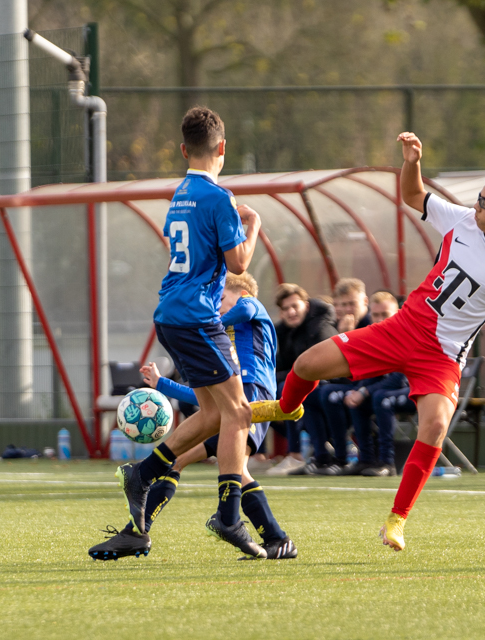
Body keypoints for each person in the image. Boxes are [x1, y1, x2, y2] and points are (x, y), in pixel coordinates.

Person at [250, 132, 485, 551]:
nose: (476, 206)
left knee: (437, 425)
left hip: (442, 357)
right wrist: (412, 160)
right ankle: (285, 407)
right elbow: (412, 194)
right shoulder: (462, 220)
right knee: (306, 366)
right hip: (401, 329)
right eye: (478, 198)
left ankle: (396, 520)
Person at [115, 105, 275, 559]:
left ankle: (142, 475)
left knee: (211, 415)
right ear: (222, 148)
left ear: (183, 150)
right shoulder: (218, 197)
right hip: (197, 317)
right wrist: (254, 224)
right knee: (239, 413)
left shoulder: (180, 193)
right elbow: (238, 264)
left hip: (170, 313)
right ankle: (228, 517)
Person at [90, 273, 297, 560]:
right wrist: (163, 385)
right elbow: (204, 401)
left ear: (242, 291)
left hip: (253, 395)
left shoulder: (250, 307)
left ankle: (138, 531)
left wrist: (206, 326)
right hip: (237, 402)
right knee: (209, 465)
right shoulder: (224, 348)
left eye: (221, 297)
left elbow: (246, 308)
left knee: (205, 464)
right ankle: (275, 539)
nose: (216, 305)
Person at [324, 290, 403, 476]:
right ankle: (360, 459)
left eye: (385, 314)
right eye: (375, 315)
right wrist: (360, 390)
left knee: (380, 398)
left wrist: (365, 391)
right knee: (340, 395)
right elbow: (365, 372)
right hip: (379, 391)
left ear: (397, 314)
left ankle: (387, 463)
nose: (379, 319)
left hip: (410, 391)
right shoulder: (373, 337)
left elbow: (399, 379)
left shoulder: (404, 336)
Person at [266, 283, 338, 476]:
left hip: (334, 384)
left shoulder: (320, 327)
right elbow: (281, 366)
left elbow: (323, 368)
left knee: (290, 390)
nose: (291, 312)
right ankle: (315, 450)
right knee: (264, 392)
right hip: (314, 387)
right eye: (285, 309)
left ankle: (298, 454)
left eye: (294, 306)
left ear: (306, 305)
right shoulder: (284, 332)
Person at [314, 278, 374, 475]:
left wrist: (346, 338)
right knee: (312, 394)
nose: (347, 309)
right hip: (349, 385)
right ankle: (321, 456)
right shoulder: (337, 324)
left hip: (371, 386)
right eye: (341, 304)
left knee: (329, 394)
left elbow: (362, 369)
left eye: (351, 304)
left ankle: (343, 458)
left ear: (365, 302)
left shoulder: (372, 325)